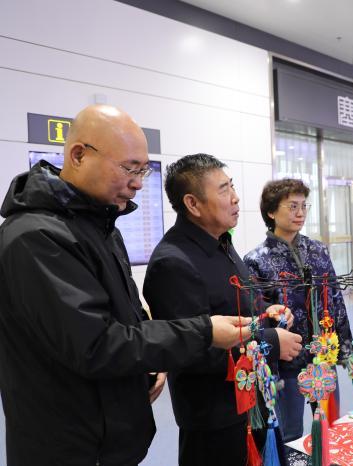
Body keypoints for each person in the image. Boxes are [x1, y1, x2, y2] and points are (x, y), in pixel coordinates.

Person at [0, 105, 249, 466]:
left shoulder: (102, 228)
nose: (138, 183)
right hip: (69, 444)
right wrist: (204, 332)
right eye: (129, 169)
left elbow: (127, 318)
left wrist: (149, 364)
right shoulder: (35, 238)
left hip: (111, 436)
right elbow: (95, 344)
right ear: (79, 155)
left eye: (142, 170)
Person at [143, 154, 303, 466]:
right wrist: (271, 342)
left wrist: (266, 311)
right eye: (223, 189)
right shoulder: (172, 263)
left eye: (232, 186)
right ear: (193, 204)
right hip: (215, 418)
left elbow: (239, 303)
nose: (235, 197)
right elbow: (191, 349)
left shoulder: (222, 244)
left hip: (252, 403)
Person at [244, 178, 353, 442]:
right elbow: (257, 315)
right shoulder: (257, 260)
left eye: (304, 206)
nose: (300, 212)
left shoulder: (318, 250)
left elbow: (335, 299)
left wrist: (345, 348)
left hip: (323, 354)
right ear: (271, 212)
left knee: (329, 426)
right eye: (292, 206)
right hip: (285, 362)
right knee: (289, 432)